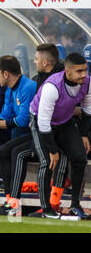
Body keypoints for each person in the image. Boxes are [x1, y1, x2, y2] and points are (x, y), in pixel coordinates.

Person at [0, 44, 67, 216]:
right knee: (4, 150)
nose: (34, 61)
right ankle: (9, 199)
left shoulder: (33, 85)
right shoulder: (39, 79)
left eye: (37, 59)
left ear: (46, 62)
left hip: (51, 136)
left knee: (18, 153)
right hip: (38, 133)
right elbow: (17, 113)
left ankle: (20, 205)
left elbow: (25, 119)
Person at [30, 53, 90, 219]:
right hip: (41, 122)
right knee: (48, 162)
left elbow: (87, 109)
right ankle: (46, 208)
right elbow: (43, 122)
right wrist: (52, 149)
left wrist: (84, 135)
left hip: (64, 121)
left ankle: (75, 205)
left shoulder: (87, 82)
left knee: (80, 157)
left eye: (85, 69)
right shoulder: (52, 86)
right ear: (68, 72)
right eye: (79, 71)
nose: (84, 74)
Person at [0, 55, 36, 190]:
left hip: (32, 132)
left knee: (15, 130)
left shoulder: (28, 87)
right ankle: (0, 177)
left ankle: (12, 179)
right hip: (20, 127)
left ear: (6, 74)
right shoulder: (10, 88)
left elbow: (23, 120)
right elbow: (7, 112)